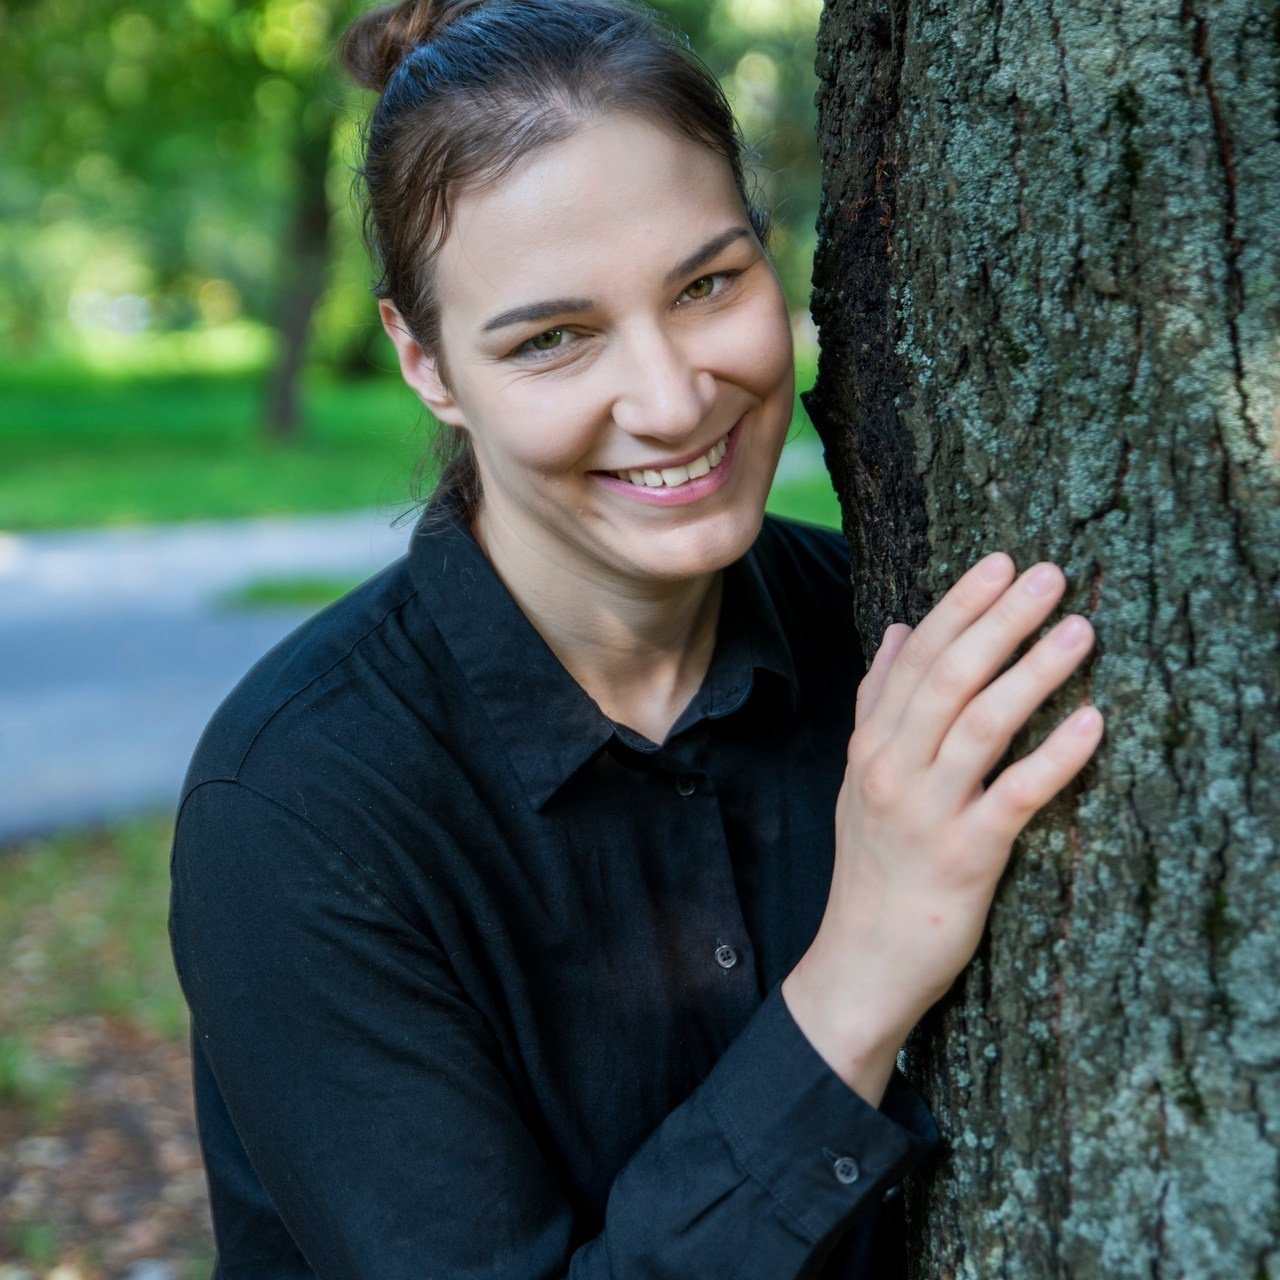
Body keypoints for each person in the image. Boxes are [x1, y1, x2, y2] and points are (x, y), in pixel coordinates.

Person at [168, 0, 1105, 1275]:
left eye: (706, 283)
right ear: (424, 358)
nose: (669, 402)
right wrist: (860, 971)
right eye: (552, 338)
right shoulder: (299, 807)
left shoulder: (899, 656)